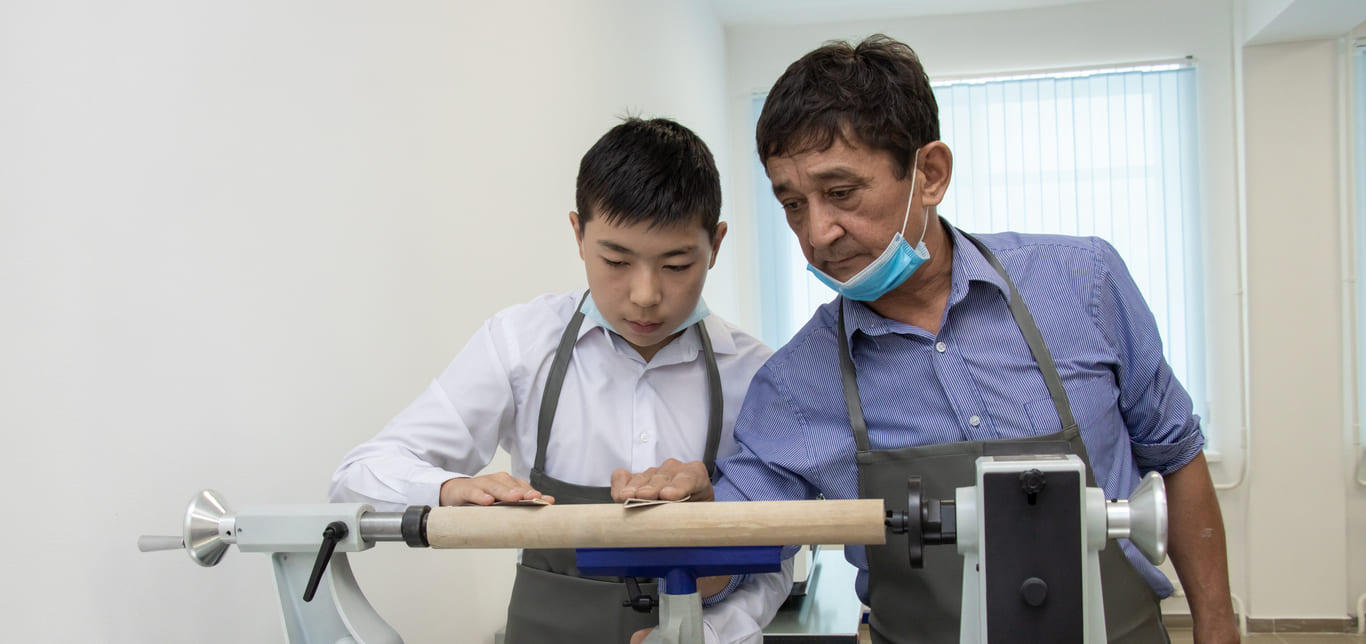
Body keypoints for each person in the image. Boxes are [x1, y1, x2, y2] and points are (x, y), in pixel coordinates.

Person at [615, 36, 1239, 644]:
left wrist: (1217, 628)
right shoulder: (796, 382)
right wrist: (691, 524)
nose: (818, 233)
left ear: (930, 174)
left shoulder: (1081, 282)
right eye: (793, 205)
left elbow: (1175, 456)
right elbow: (734, 556)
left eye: (840, 193)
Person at [329, 117, 791, 644]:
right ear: (578, 234)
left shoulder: (757, 375)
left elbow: (776, 554)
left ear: (716, 244)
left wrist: (709, 632)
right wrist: (449, 489)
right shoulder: (520, 344)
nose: (645, 295)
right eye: (616, 260)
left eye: (676, 265)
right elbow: (356, 476)